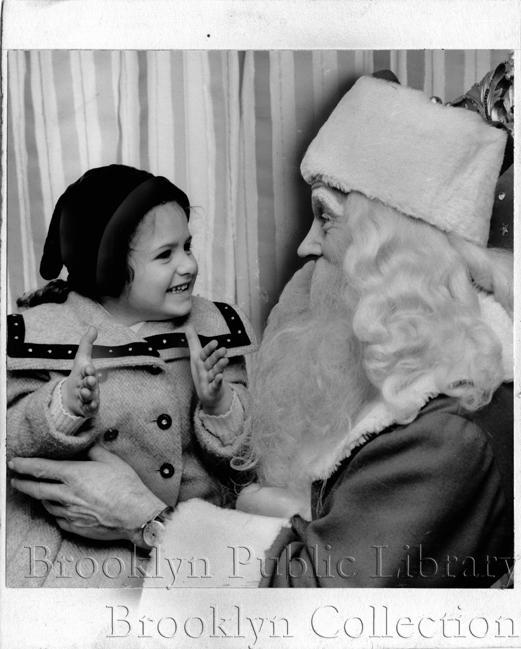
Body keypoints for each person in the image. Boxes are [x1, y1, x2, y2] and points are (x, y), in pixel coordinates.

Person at [10, 75, 514, 588]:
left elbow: (313, 605)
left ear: (397, 250)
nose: (305, 246)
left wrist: (150, 521)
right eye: (164, 254)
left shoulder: (446, 433)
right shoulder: (413, 367)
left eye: (325, 216)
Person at [6, 164, 256, 587]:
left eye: (188, 247)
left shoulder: (210, 328)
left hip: (187, 555)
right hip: (75, 562)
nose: (189, 265)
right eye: (165, 255)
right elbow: (11, 442)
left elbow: (245, 456)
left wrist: (218, 405)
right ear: (105, 265)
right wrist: (64, 408)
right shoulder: (42, 332)